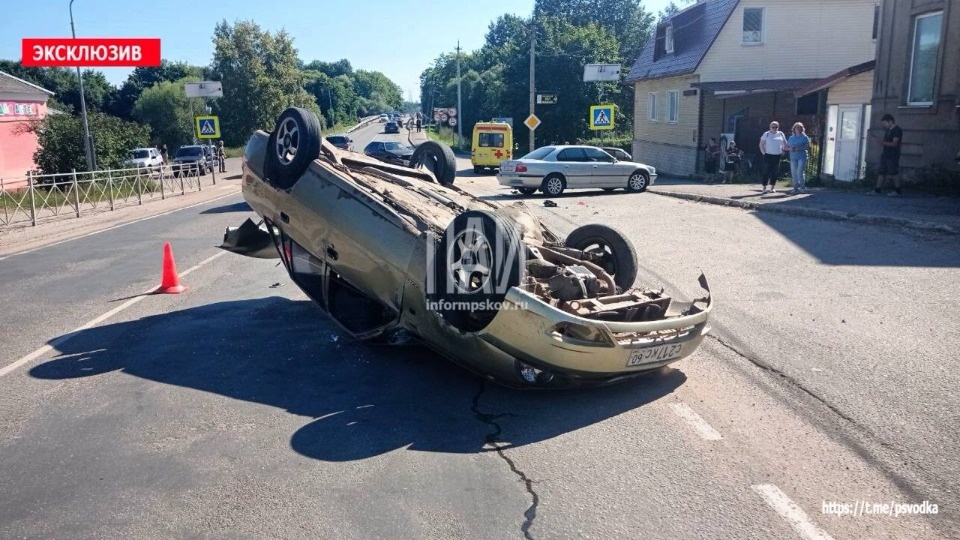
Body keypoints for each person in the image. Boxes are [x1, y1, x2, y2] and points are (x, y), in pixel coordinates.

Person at [873, 113, 903, 196]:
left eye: (885, 123)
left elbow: (894, 144)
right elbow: (887, 142)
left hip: (893, 155)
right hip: (885, 154)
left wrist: (882, 142)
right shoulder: (888, 130)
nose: (884, 125)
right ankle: (877, 190)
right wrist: (881, 141)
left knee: (894, 172)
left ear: (890, 121)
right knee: (881, 172)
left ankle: (898, 191)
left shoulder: (897, 130)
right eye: (883, 123)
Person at [759, 121, 787, 193]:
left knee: (775, 172)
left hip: (777, 156)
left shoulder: (780, 134)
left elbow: (784, 143)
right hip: (768, 155)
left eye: (776, 127)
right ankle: (764, 188)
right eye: (773, 127)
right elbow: (761, 145)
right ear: (770, 127)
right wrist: (764, 153)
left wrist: (784, 150)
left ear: (778, 127)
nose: (774, 128)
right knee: (766, 171)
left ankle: (772, 187)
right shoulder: (766, 134)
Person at [786, 122, 811, 194]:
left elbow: (808, 147)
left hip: (802, 157)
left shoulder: (804, 137)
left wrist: (799, 148)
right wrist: (790, 148)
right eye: (796, 127)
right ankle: (795, 188)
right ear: (794, 129)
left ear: (802, 129)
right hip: (793, 157)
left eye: (800, 127)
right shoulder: (791, 137)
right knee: (794, 172)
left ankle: (802, 187)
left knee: (800, 172)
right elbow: (787, 147)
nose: (798, 129)